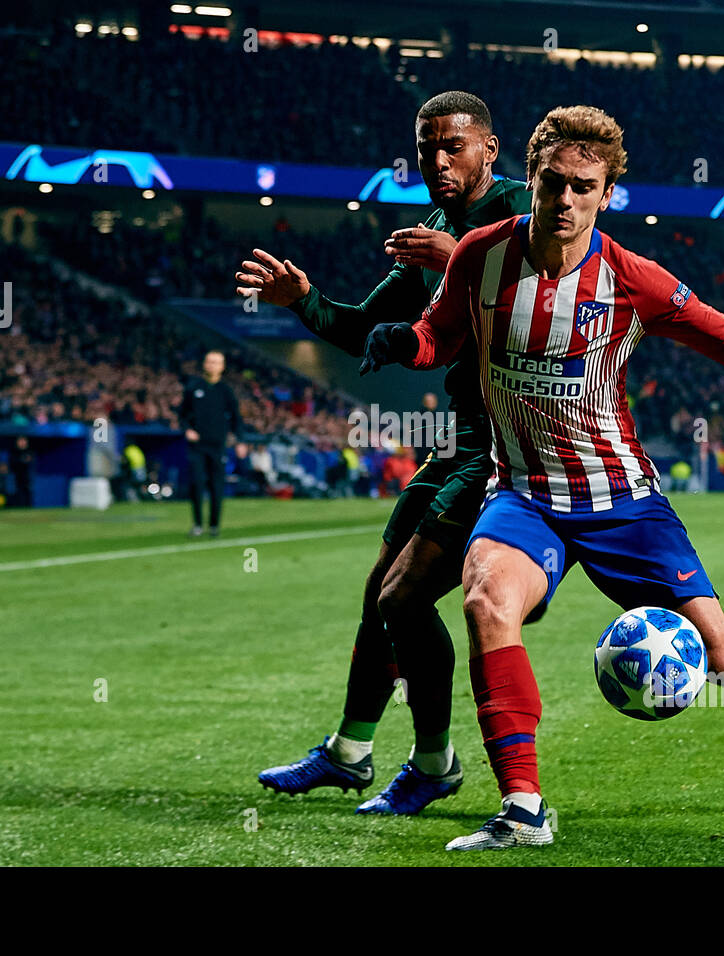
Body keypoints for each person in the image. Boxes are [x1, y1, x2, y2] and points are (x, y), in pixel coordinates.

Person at [362, 104, 724, 850]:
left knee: (722, 659)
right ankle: (523, 809)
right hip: (523, 495)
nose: (565, 201)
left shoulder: (632, 280)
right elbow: (443, 338)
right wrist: (407, 339)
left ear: (606, 194)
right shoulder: (478, 256)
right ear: (528, 178)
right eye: (554, 183)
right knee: (487, 601)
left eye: (583, 188)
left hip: (621, 501)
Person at [237, 91, 532, 814]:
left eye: (453, 146)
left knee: (405, 596)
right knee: (381, 594)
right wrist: (305, 300)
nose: (437, 161)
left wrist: (458, 257)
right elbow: (366, 327)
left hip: (512, 445)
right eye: (427, 148)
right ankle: (350, 753)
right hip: (462, 440)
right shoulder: (431, 229)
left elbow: (545, 293)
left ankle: (434, 763)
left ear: (489, 150)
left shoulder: (526, 210)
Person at [182, 350, 240, 537]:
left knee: (217, 485)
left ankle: (214, 525)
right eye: (209, 361)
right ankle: (197, 524)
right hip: (197, 445)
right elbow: (182, 414)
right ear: (204, 364)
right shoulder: (193, 387)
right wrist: (187, 429)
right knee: (197, 483)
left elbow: (236, 417)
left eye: (216, 362)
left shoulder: (226, 391)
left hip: (217, 444)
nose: (212, 365)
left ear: (222, 367)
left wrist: (239, 439)